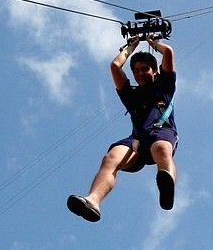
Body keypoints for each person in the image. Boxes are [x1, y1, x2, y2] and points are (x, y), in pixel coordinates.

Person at [66, 34, 177, 223]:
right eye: (136, 71)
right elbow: (115, 66)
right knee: (110, 158)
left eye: (145, 69)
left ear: (155, 71)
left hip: (162, 132)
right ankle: (93, 201)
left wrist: (152, 43)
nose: (140, 73)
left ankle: (166, 182)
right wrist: (130, 47)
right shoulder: (130, 95)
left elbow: (168, 52)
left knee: (160, 148)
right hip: (137, 140)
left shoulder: (164, 86)